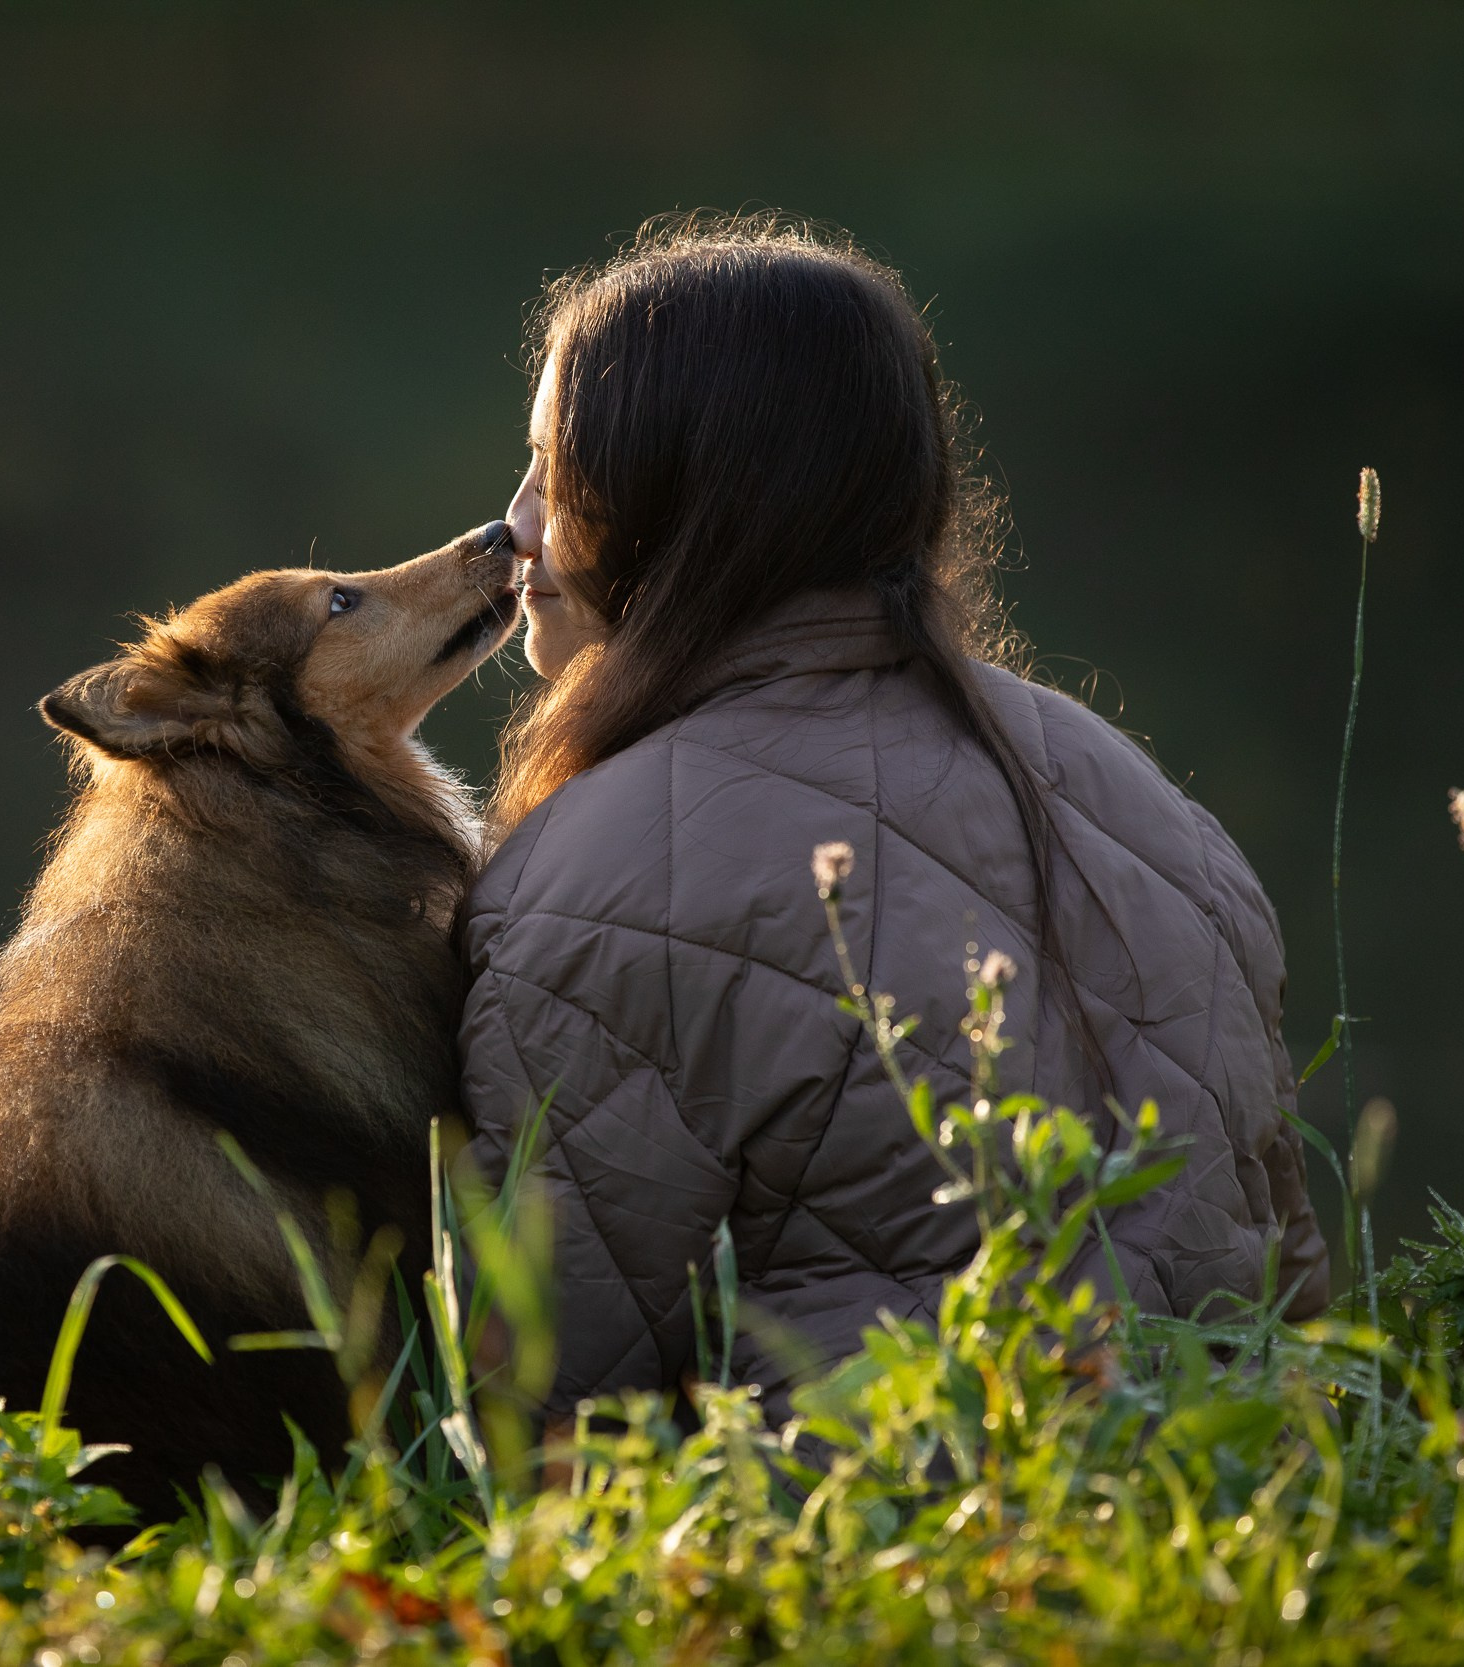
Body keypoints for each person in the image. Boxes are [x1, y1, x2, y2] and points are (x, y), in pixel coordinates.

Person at [457, 214, 1328, 1421]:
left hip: (872, 1569)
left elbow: (545, 1420)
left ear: (681, 491)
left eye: (559, 471)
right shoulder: (1150, 810)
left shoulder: (589, 880)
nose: (516, 526)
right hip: (1223, 1531)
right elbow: (1290, 1295)